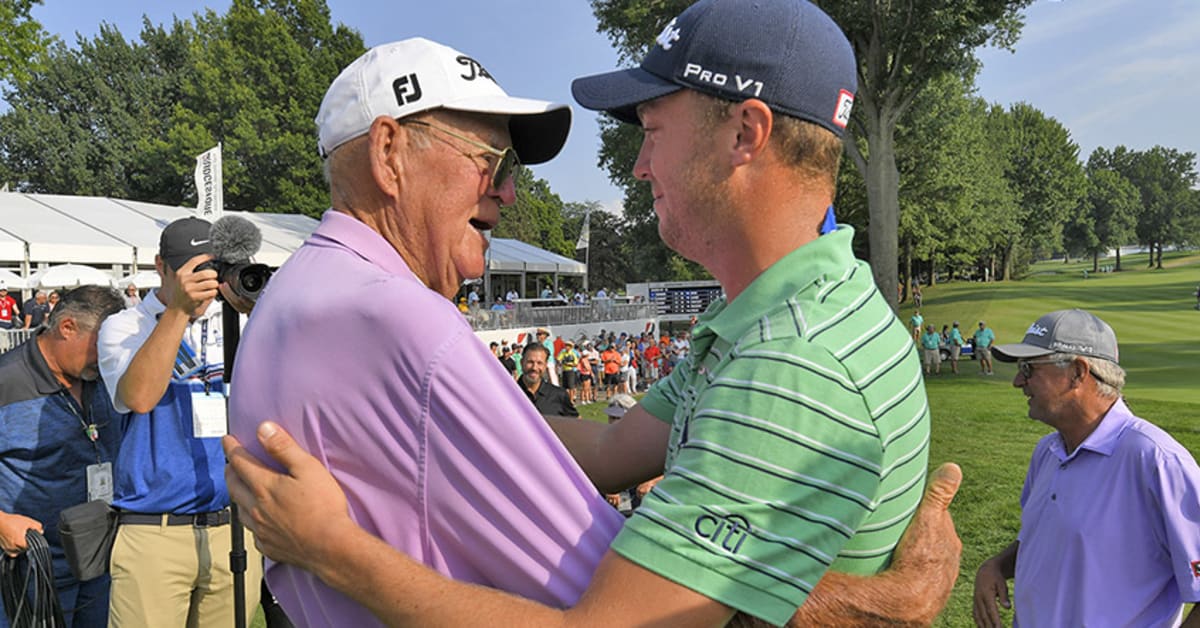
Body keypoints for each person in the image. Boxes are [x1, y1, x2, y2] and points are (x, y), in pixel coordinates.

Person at [225, 5, 962, 626]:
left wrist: (331, 547)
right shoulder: (766, 323)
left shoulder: (795, 364)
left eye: (651, 129)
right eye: (493, 162)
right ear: (389, 155)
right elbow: (613, 454)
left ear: (746, 132)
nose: (638, 167)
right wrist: (455, 413)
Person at [973, 309, 1200, 627]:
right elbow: (1043, 539)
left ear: (1078, 372)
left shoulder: (1157, 460)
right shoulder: (1047, 452)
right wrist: (996, 565)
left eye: (1029, 368)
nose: (1017, 381)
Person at [97, 217, 262, 627]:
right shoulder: (125, 325)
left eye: (214, 268)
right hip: (155, 530)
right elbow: (140, 397)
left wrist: (261, 313)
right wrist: (178, 313)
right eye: (194, 270)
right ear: (162, 267)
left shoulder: (237, 322)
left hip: (232, 529)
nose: (205, 281)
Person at [0, 286, 125, 627]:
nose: (109, 356)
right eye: (102, 344)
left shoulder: (110, 378)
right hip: (29, 570)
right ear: (67, 327)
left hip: (104, 563)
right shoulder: (6, 382)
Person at [519, 343, 579, 417]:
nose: (534, 367)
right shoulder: (507, 394)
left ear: (545, 365)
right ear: (521, 363)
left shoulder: (559, 395)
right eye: (530, 362)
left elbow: (577, 423)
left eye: (539, 363)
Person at [556, 339, 581, 404]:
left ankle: (571, 399)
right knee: (565, 387)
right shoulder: (563, 352)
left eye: (568, 346)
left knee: (571, 386)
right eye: (566, 345)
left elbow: (576, 363)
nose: (566, 347)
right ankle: (566, 399)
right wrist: (560, 361)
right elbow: (559, 359)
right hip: (564, 370)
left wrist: (568, 364)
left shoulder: (573, 353)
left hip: (570, 371)